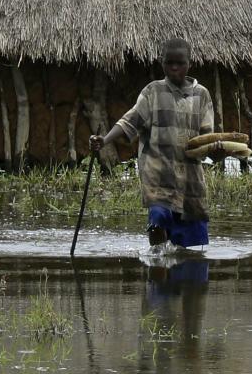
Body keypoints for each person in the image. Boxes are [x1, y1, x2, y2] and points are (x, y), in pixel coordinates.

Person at [90, 38, 216, 248]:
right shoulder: (153, 92)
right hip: (159, 181)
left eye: (180, 63)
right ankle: (157, 269)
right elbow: (129, 121)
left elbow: (207, 140)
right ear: (162, 63)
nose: (174, 68)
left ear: (189, 63)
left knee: (192, 258)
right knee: (157, 228)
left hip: (190, 185)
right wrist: (104, 140)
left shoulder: (201, 95)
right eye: (169, 63)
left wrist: (220, 149)